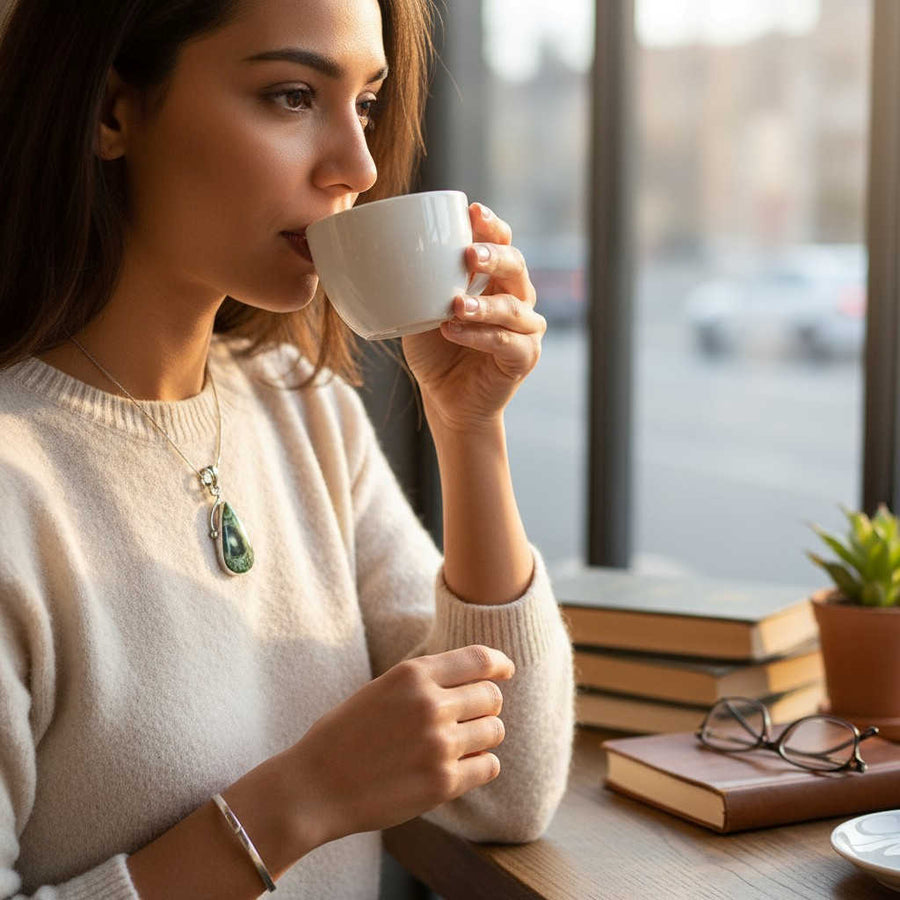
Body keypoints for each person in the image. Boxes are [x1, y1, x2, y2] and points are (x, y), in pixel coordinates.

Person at [0, 0, 576, 896]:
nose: (359, 165)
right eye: (292, 95)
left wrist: (470, 431)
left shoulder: (306, 414)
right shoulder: (14, 486)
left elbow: (506, 794)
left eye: (368, 105)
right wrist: (303, 799)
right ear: (114, 112)